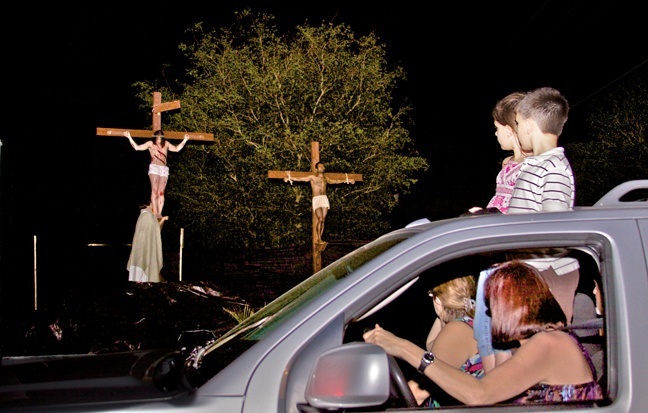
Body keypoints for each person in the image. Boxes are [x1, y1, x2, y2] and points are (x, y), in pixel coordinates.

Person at [364, 261, 603, 405]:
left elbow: (480, 394)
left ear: (509, 308)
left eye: (489, 305)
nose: (484, 314)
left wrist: (405, 348)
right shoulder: (540, 342)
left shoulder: (549, 344)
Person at [410, 275, 483, 407]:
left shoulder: (456, 331)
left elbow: (417, 393)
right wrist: (444, 309)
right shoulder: (470, 324)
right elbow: (431, 344)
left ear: (437, 301)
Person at [508, 87, 575, 213]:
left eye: (518, 123)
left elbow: (554, 223)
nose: (517, 130)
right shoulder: (538, 165)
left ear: (528, 125)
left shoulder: (554, 169)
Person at [466, 91, 528, 215]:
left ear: (508, 130)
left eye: (497, 128)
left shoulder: (529, 166)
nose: (495, 133)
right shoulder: (507, 163)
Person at [283, 161, 355, 244]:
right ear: (316, 169)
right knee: (320, 219)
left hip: (324, 198)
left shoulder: (325, 178)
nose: (322, 168)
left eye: (323, 166)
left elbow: (336, 181)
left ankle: (320, 239)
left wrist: (347, 180)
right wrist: (289, 178)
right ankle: (319, 239)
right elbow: (301, 179)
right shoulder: (312, 177)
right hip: (316, 199)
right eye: (320, 166)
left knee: (323, 220)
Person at [124, 130, 190, 218]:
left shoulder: (166, 144)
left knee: (161, 192)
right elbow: (137, 147)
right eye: (157, 138)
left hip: (163, 168)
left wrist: (185, 140)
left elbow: (177, 149)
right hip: (154, 167)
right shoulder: (150, 144)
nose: (158, 140)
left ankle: (160, 212)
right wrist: (129, 137)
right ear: (154, 137)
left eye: (160, 138)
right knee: (154, 191)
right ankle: (155, 212)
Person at [126, 202, 167, 282]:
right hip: (144, 251)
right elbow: (144, 238)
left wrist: (163, 220)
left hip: (145, 250)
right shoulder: (147, 216)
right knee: (143, 277)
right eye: (152, 203)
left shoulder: (147, 215)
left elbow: (155, 231)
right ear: (148, 204)